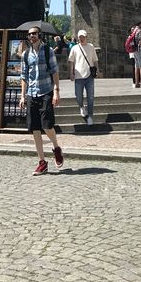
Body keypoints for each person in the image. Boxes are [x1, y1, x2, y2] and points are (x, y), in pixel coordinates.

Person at [19, 27, 64, 175]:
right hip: (32, 93)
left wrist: (56, 91)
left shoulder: (47, 51)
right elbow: (24, 77)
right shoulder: (26, 55)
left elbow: (54, 71)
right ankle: (42, 162)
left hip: (46, 91)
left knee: (47, 126)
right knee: (35, 129)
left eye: (34, 33)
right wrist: (22, 95)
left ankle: (56, 147)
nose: (32, 36)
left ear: (39, 35)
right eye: (30, 34)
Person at [68, 29, 98, 126]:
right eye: (80, 37)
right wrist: (71, 73)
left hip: (89, 75)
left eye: (83, 37)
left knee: (90, 97)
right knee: (78, 96)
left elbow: (95, 60)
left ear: (86, 37)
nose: (81, 38)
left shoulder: (91, 47)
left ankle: (90, 116)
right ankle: (81, 106)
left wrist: (97, 70)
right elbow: (71, 61)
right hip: (78, 75)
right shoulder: (75, 48)